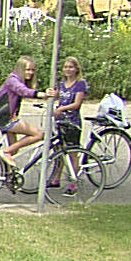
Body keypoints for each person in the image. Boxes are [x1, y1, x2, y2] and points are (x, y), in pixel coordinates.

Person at [0, 56, 52, 169]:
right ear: (20, 69)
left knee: (14, 149)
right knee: (38, 134)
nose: (31, 73)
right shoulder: (12, 79)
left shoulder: (18, 79)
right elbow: (23, 91)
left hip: (5, 116)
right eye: (27, 70)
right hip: (4, 117)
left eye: (32, 70)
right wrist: (40, 94)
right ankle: (5, 152)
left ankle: (8, 175)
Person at [47, 56, 90, 189]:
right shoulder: (62, 83)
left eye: (71, 67)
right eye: (66, 67)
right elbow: (57, 96)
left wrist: (61, 109)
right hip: (60, 121)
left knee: (72, 153)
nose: (68, 69)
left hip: (72, 122)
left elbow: (76, 104)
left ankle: (73, 181)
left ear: (76, 69)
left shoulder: (80, 84)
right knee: (60, 151)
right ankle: (56, 179)